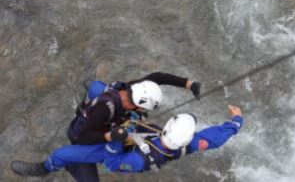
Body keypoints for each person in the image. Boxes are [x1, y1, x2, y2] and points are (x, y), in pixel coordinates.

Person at [27, 72, 200, 182]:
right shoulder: (106, 108)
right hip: (86, 136)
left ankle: (89, 92)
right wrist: (110, 137)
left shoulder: (134, 89)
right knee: (61, 155)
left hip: (98, 119)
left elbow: (157, 78)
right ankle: (44, 169)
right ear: (139, 106)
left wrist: (188, 84)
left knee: (96, 87)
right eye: (143, 110)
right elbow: (85, 137)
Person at [11, 105, 243, 176]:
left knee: (62, 154)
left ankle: (43, 169)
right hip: (132, 140)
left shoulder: (140, 161)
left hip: (117, 152)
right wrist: (236, 121)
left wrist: (115, 141)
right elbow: (215, 138)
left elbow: (113, 164)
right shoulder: (188, 144)